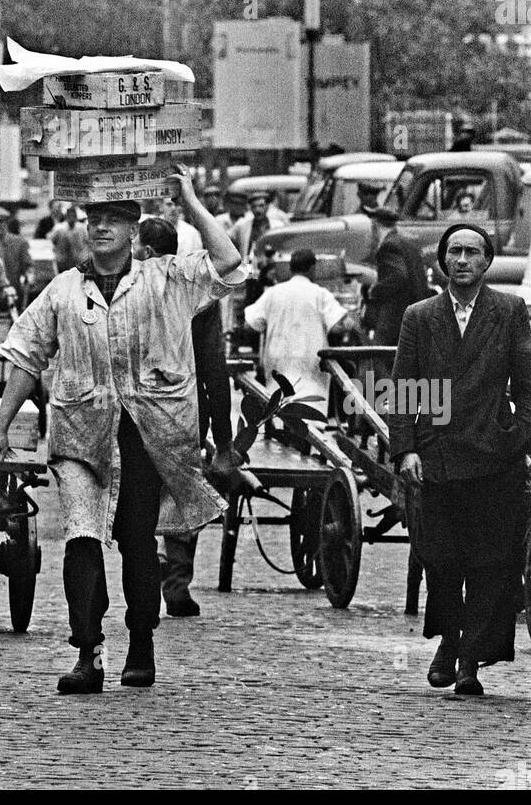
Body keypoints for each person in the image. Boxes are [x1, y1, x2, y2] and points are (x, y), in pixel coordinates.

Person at [0, 164, 247, 695]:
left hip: (149, 436)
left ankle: (141, 642)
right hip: (81, 435)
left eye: (113, 220)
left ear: (133, 229)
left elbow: (229, 261)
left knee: (134, 542)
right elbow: (26, 357)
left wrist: (190, 199)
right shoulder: (63, 291)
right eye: (92, 218)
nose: (99, 227)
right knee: (81, 538)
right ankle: (88, 652)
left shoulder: (166, 280)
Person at [389, 224, 531, 696]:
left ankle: (470, 658)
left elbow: (527, 384)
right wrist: (405, 448)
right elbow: (404, 388)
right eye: (454, 252)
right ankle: (449, 639)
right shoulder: (420, 316)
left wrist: (519, 434)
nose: (462, 260)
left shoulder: (510, 311)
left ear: (487, 262)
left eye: (472, 252)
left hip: (495, 456)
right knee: (442, 558)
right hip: (439, 456)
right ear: (442, 261)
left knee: (490, 561)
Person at [133, 216, 240, 617]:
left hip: (141, 409)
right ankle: (175, 581)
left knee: (142, 494)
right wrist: (225, 442)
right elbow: (215, 368)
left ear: (143, 251)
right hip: (185, 411)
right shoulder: (199, 295)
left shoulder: (126, 290)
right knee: (180, 492)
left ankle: (150, 572)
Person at [243, 247, 357, 414]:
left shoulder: (273, 293)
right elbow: (337, 329)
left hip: (278, 360)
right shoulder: (320, 294)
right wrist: (349, 325)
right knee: (309, 412)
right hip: (310, 362)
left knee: (280, 410)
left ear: (290, 268)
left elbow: (250, 325)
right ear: (313, 268)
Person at [362, 206, 430, 346]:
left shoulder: (388, 246)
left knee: (377, 358)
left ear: (375, 225)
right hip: (413, 314)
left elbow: (398, 276)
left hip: (394, 317)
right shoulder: (407, 243)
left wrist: (374, 290)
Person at [0, 205, 31, 303]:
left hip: (14, 295)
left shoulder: (19, 243)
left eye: (0, 221)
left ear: (6, 222)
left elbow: (28, 266)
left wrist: (29, 276)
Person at [50, 203, 90, 272]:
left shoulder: (82, 228)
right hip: (63, 261)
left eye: (73, 215)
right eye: (70, 215)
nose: (72, 217)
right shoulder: (59, 228)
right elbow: (51, 240)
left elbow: (88, 242)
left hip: (79, 261)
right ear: (66, 216)